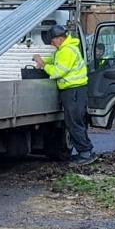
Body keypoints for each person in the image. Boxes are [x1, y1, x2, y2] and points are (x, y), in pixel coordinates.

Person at [33, 24, 94, 164]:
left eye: (52, 41)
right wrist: (43, 60)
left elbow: (57, 72)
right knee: (76, 122)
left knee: (73, 123)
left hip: (73, 91)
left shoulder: (66, 51)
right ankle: (87, 151)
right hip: (75, 90)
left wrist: (43, 65)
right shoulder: (64, 50)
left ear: (60, 38)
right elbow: (54, 60)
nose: (51, 44)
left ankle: (85, 154)